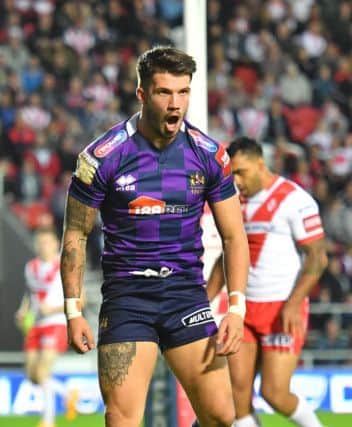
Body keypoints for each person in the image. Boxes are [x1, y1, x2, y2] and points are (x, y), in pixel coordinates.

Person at [59, 45, 249, 427]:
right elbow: (76, 234)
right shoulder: (102, 157)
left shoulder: (209, 156)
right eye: (164, 92)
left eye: (183, 92)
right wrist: (73, 310)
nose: (175, 103)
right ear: (143, 93)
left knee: (223, 417)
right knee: (122, 419)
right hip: (128, 299)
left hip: (185, 296)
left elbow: (234, 236)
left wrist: (236, 307)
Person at [206, 137, 328, 427]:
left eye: (241, 172)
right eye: (232, 173)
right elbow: (227, 258)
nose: (237, 180)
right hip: (245, 311)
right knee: (238, 396)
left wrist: (293, 304)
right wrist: (203, 300)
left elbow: (317, 258)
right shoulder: (235, 203)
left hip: (281, 308)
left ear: (260, 164)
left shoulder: (295, 200)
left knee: (275, 393)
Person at [15, 226, 73, 427]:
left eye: (47, 242)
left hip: (56, 323)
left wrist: (55, 309)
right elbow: (29, 294)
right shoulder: (31, 267)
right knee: (32, 376)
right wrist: (23, 311)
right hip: (36, 325)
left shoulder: (65, 266)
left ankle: (48, 422)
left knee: (42, 373)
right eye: (40, 242)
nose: (43, 246)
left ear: (56, 244)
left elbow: (80, 301)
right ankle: (68, 393)